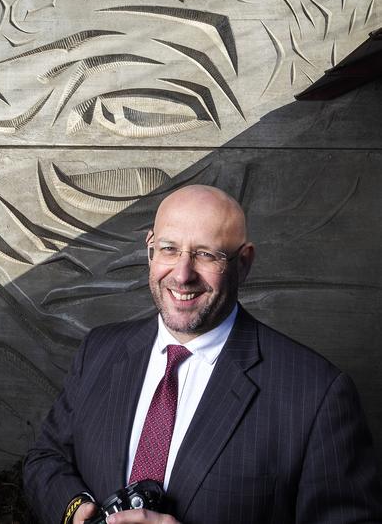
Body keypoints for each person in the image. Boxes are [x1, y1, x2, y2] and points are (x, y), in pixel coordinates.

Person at [23, 185, 382, 524]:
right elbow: (47, 458)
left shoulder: (316, 394)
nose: (182, 274)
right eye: (169, 248)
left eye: (206, 254)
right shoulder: (100, 349)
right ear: (149, 249)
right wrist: (76, 512)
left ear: (243, 263)